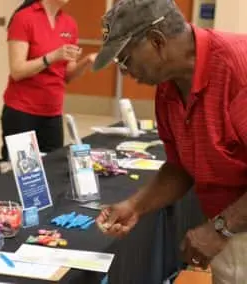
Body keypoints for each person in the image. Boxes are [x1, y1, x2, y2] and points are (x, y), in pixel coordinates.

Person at [93, 0, 247, 283]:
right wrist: (135, 206)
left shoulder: (238, 68)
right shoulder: (167, 89)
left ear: (156, 41)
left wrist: (219, 229)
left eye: (125, 58)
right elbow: (181, 167)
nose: (124, 72)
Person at [0, 0, 97, 161]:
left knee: (52, 171)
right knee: (23, 175)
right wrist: (52, 57)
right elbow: (17, 71)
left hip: (53, 114)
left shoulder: (69, 23)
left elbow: (67, 75)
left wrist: (86, 62)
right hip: (22, 112)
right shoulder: (23, 18)